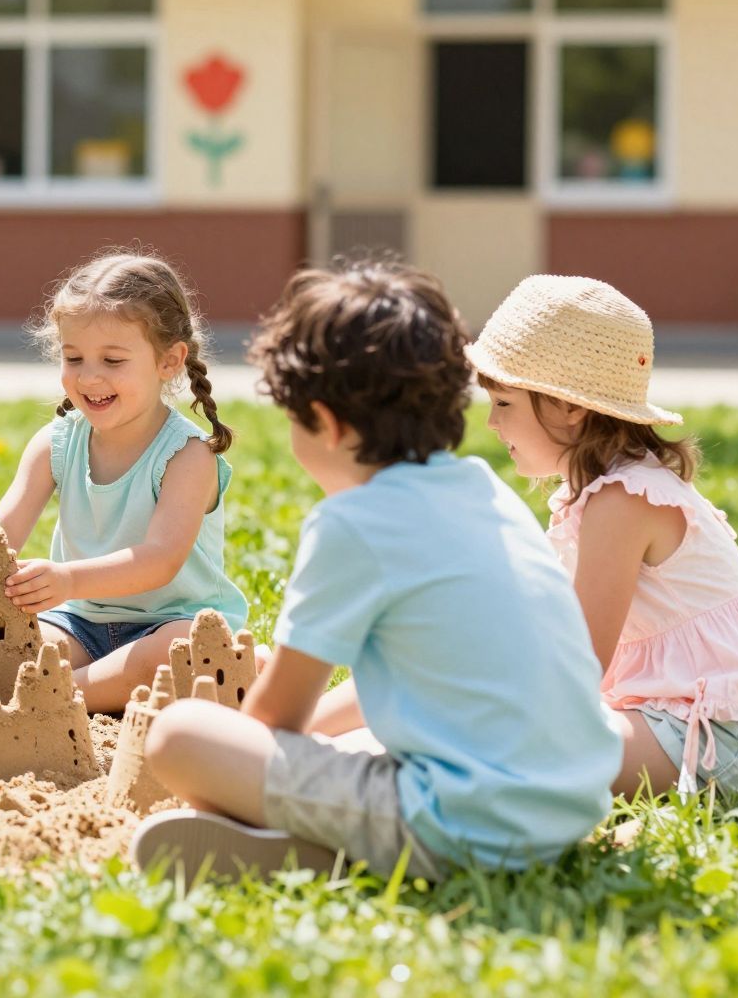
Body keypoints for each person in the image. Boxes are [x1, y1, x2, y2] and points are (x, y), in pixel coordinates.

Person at [133, 262, 620, 881]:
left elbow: (275, 720)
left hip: (469, 825)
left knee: (182, 737)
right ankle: (331, 843)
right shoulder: (483, 491)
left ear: (326, 423)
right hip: (569, 806)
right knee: (348, 747)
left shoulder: (353, 523)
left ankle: (325, 854)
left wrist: (248, 758)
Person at [472, 274, 738, 796]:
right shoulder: (605, 490)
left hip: (728, 737)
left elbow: (578, 661)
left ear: (569, 406)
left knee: (508, 751)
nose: (493, 425)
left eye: (504, 404)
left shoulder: (623, 501)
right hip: (695, 717)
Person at [0, 252, 245, 712]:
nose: (90, 376)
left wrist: (67, 579)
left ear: (169, 361)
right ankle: (67, 688)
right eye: (74, 357)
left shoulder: (187, 456)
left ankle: (51, 696)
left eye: (113, 360)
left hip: (167, 623)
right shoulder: (56, 443)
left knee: (180, 652)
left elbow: (159, 561)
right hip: (78, 624)